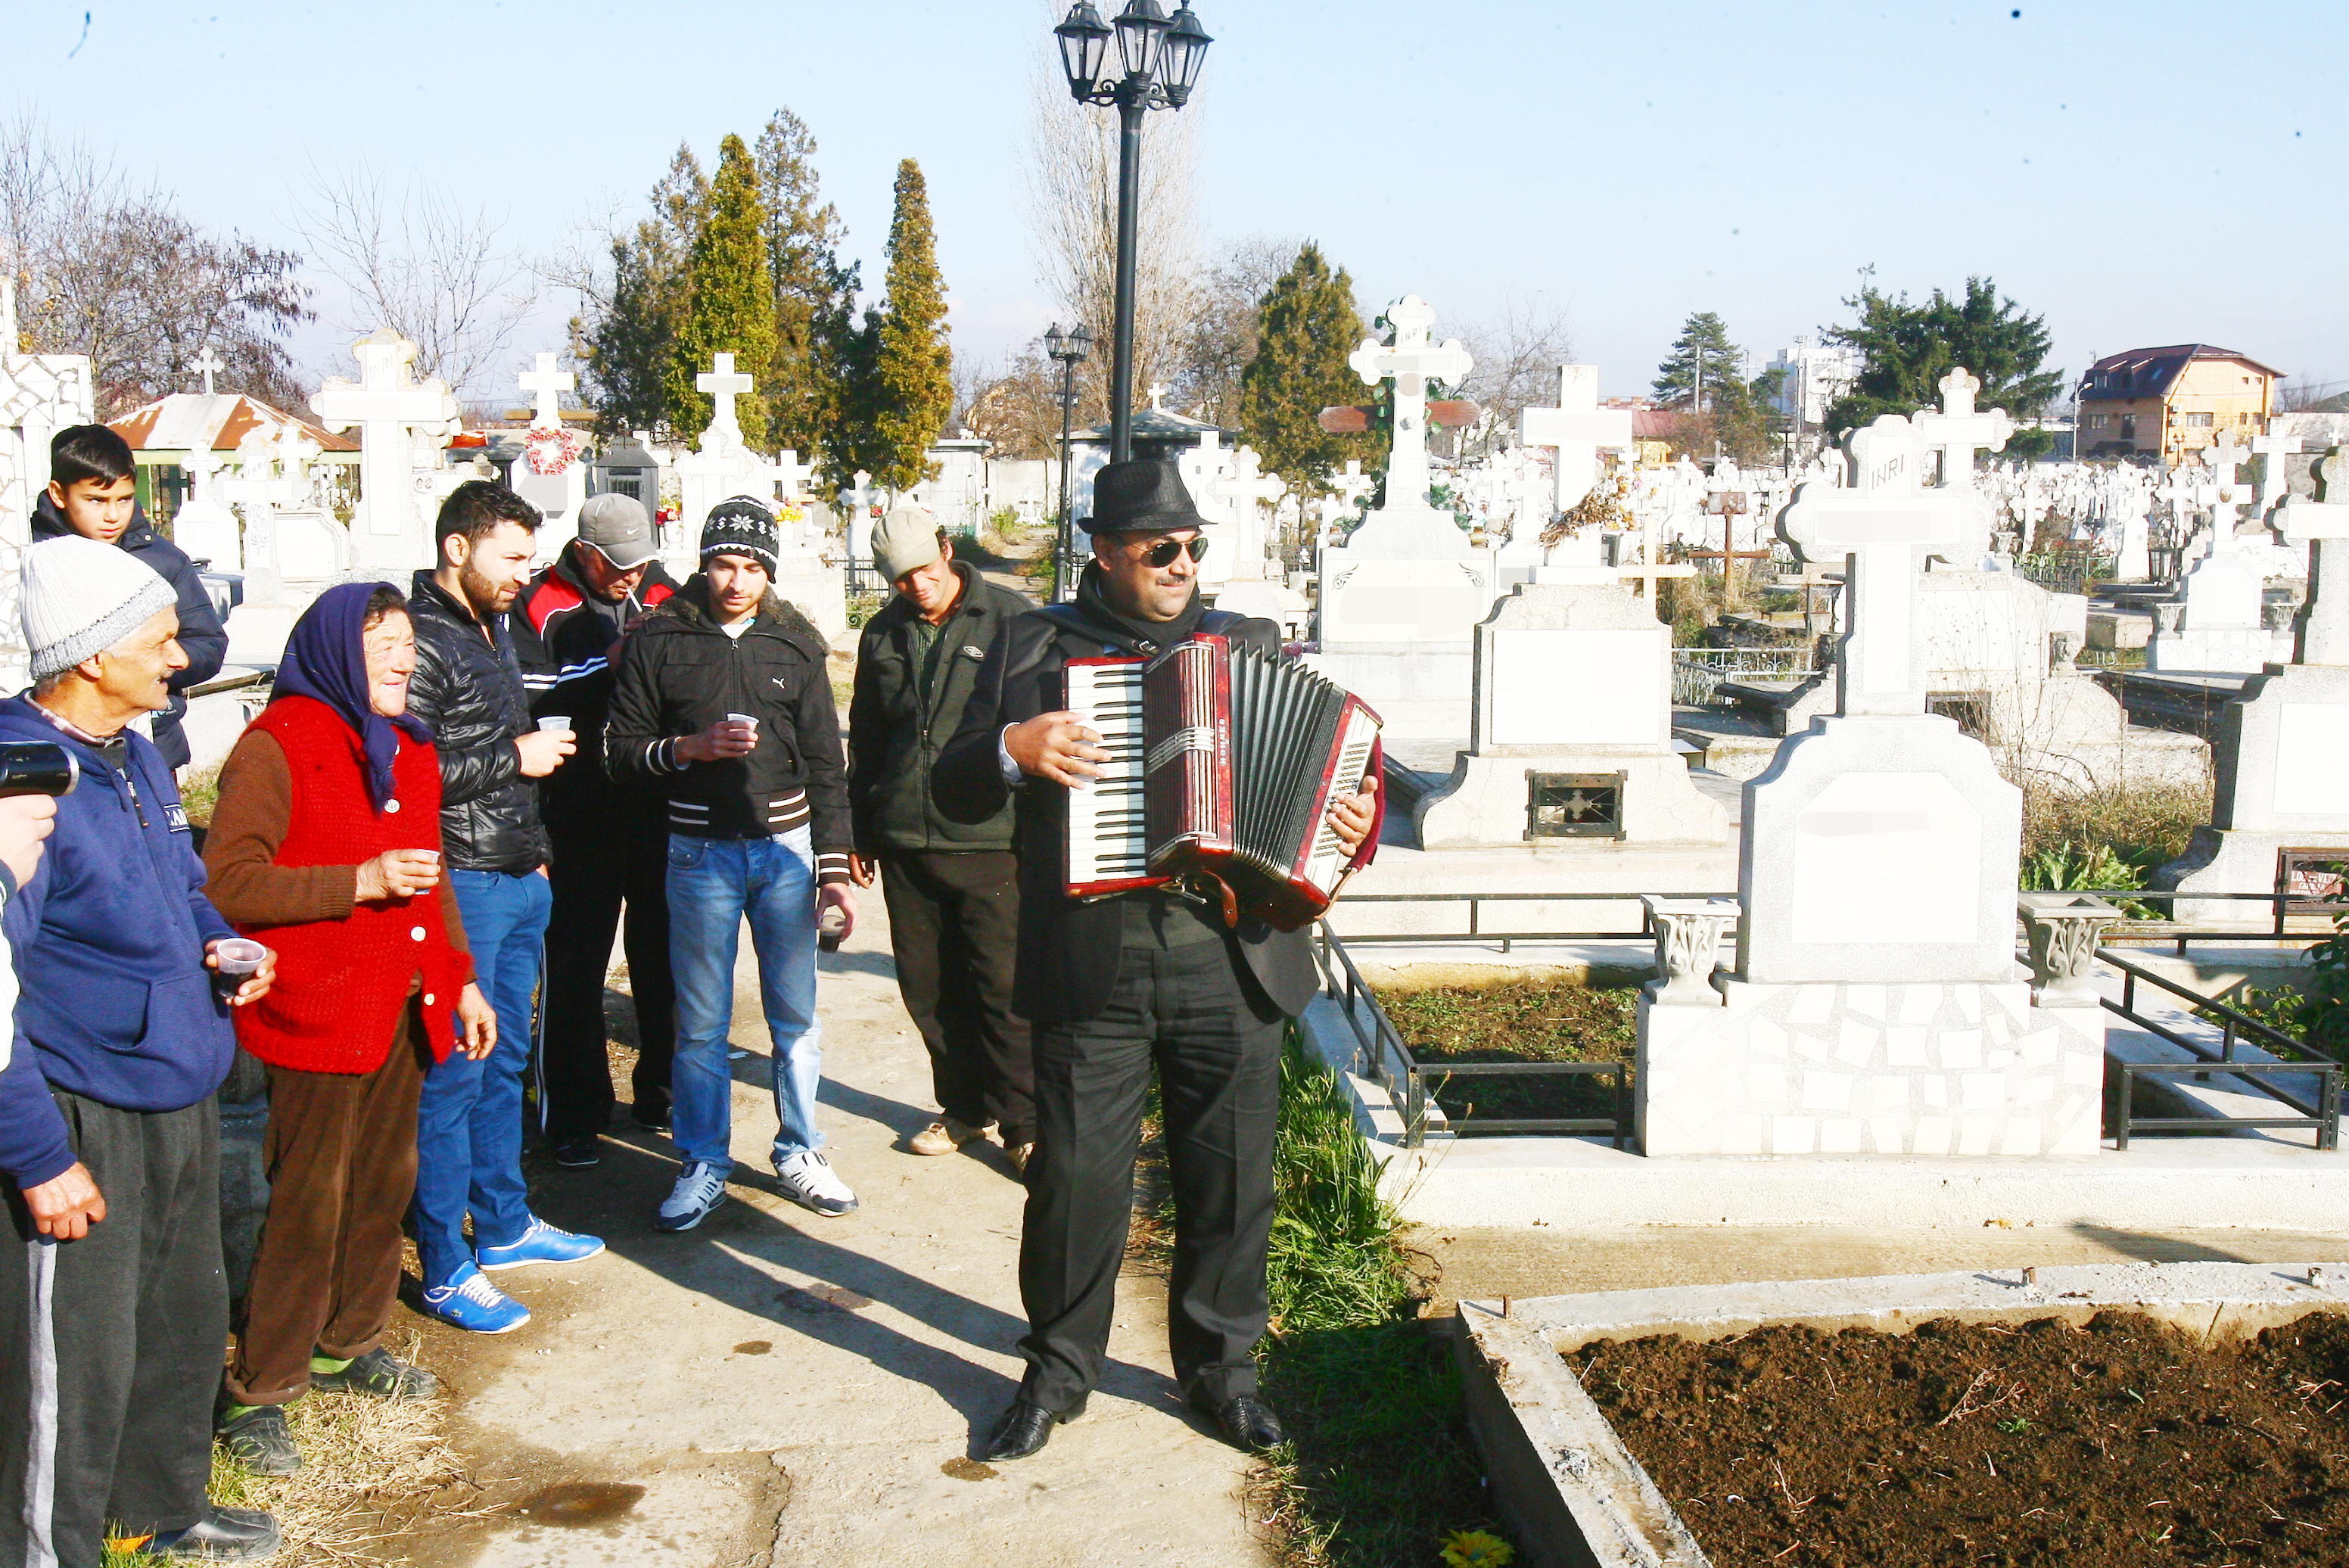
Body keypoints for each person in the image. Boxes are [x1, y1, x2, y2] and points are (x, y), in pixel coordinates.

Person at [930, 459, 1379, 1464]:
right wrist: (1014, 746)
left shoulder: (1247, 644)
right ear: (1104, 551)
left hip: (1232, 953)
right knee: (1078, 1182)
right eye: (1158, 550)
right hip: (1097, 954)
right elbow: (953, 785)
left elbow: (1325, 787)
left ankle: (1223, 1378)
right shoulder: (1033, 643)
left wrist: (1347, 822)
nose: (1182, 565)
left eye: (1192, 548)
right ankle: (1056, 1376)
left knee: (1229, 1178)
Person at [0, 536, 281, 1563]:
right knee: (77, 1357)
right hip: (85, 1108)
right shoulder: (25, 783)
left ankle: (157, 1512)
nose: (179, 661)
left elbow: (178, 884)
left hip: (180, 1083)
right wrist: (36, 1153)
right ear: (89, 656)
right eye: (161, 642)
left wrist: (223, 940)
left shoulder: (138, 757)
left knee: (175, 1317)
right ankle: (49, 1546)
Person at [201, 583, 498, 1476]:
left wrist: (463, 980)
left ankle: (346, 1340)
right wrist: (354, 881)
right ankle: (261, 1384)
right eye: (383, 645)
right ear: (335, 651)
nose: (405, 660)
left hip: (399, 1010)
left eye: (409, 644)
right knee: (305, 1198)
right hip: (314, 1013)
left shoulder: (410, 748)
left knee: (381, 1185)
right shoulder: (277, 746)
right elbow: (227, 885)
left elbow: (429, 876)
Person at [605, 496, 860, 1231]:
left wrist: (833, 871)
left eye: (752, 566)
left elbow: (825, 765)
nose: (737, 580)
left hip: (784, 851)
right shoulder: (660, 639)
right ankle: (703, 1161)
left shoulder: (795, 642)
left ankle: (800, 1148)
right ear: (702, 561)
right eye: (724, 562)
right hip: (697, 854)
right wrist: (686, 749)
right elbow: (618, 753)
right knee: (700, 1022)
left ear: (768, 570)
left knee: (795, 1017)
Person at [405, 482, 602, 1333]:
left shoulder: (495, 627)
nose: (526, 573)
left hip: (517, 871)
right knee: (454, 1068)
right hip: (465, 879)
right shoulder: (418, 640)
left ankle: (507, 1222)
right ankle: (445, 1260)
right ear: (459, 547)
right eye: (511, 557)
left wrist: (541, 856)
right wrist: (511, 754)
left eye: (529, 557)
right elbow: (404, 773)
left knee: (505, 1056)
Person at [847, 506, 1035, 1170]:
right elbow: (868, 740)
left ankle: (1024, 1121)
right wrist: (860, 831)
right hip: (905, 836)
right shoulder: (882, 635)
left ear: (948, 550)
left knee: (1001, 987)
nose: (917, 587)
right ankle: (963, 1108)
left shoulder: (1011, 620)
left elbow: (1034, 730)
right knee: (927, 989)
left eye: (925, 571)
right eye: (901, 580)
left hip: (990, 839)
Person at [510, 494, 682, 1166]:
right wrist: (612, 659)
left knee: (664, 956)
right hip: (575, 811)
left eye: (640, 564)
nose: (631, 578)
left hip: (654, 802)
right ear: (583, 551)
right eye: (616, 565)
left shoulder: (663, 591)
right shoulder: (539, 605)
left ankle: (662, 1092)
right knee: (576, 966)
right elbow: (529, 696)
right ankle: (575, 1115)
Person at [34, 423, 229, 771]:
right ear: (59, 494)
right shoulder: (33, 562)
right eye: (95, 500)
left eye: (123, 500)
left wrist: (151, 663)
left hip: (153, 739)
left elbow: (207, 641)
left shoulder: (162, 560)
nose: (112, 516)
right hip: (58, 741)